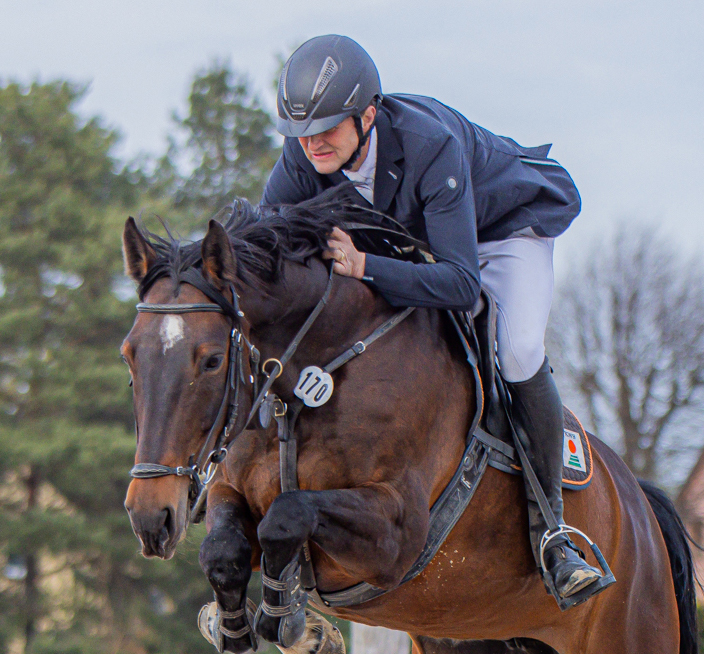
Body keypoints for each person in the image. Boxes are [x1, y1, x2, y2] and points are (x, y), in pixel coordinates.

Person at [262, 35, 611, 609]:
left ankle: (552, 531)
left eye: (326, 128)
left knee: (518, 349)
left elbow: (459, 285)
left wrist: (365, 266)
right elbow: (269, 250)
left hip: (501, 233)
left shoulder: (428, 144)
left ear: (367, 116)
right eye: (300, 131)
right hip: (423, 244)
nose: (311, 143)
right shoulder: (303, 157)